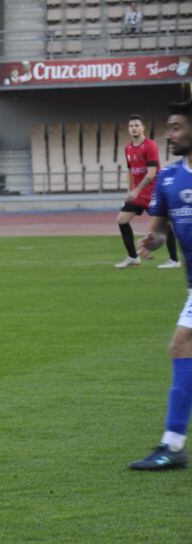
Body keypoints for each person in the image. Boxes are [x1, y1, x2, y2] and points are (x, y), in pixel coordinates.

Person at [130, 100, 192, 470]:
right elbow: (159, 230)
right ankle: (173, 444)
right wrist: (150, 243)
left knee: (180, 345)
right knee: (181, 347)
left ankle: (172, 444)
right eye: (168, 127)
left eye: (177, 127)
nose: (170, 134)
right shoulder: (169, 179)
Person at [115, 115, 178, 269]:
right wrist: (129, 191)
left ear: (143, 128)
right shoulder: (128, 148)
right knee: (121, 220)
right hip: (138, 195)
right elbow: (130, 171)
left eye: (137, 125)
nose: (134, 128)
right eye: (131, 126)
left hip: (154, 193)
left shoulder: (150, 146)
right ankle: (133, 257)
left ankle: (174, 260)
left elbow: (151, 173)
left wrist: (136, 190)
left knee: (164, 226)